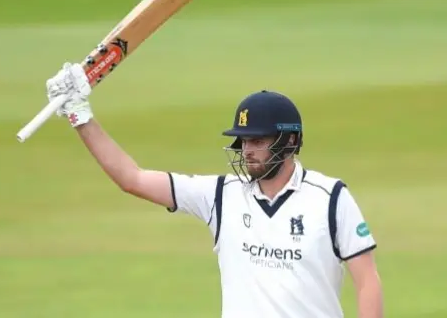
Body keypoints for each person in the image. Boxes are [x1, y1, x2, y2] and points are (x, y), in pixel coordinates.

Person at [46, 63, 384, 318]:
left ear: (290, 140)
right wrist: (80, 115)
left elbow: (366, 280)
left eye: (258, 140)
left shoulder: (330, 197)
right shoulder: (221, 195)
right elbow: (131, 179)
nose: (247, 150)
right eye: (244, 141)